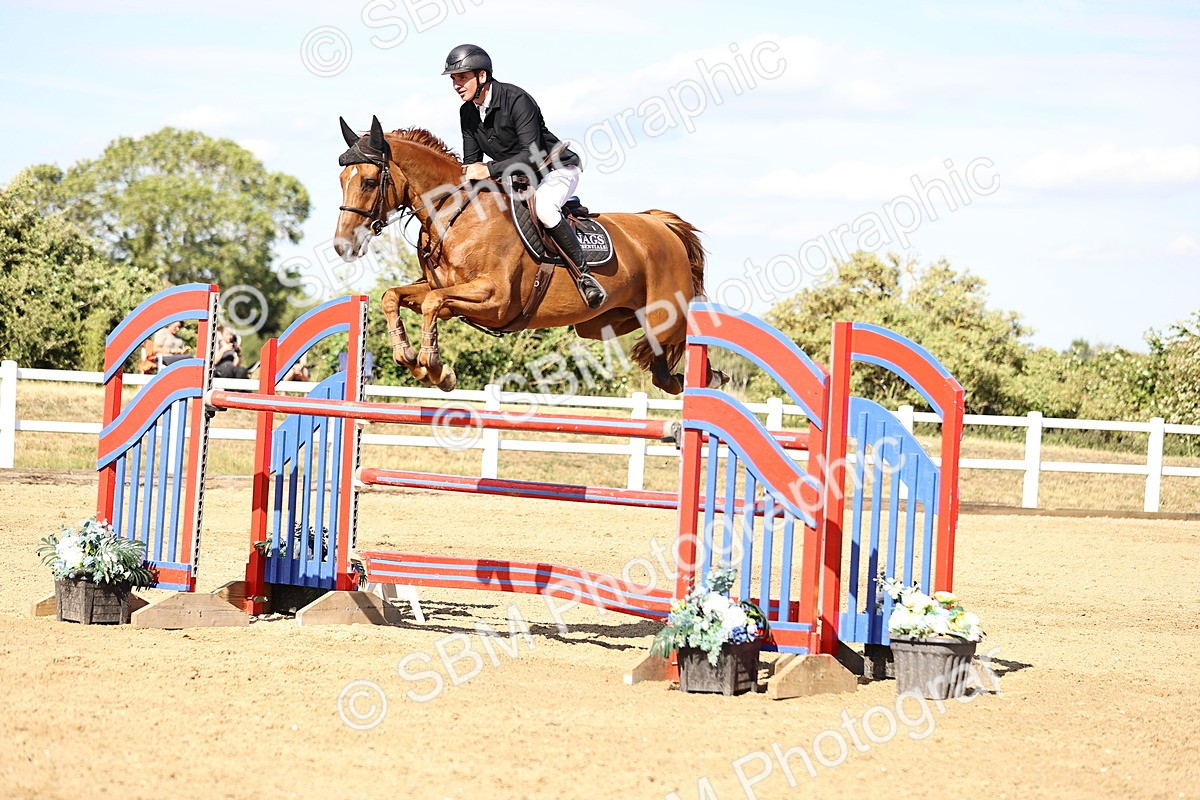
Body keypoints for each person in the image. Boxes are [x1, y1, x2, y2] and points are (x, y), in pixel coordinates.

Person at [444, 43, 607, 309]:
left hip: (553, 168)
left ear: (482, 76)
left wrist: (489, 170)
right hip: (515, 178)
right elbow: (472, 161)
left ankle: (585, 276)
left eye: (462, 77)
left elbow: (532, 155)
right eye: (453, 79)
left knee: (544, 207)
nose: (456, 85)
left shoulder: (517, 99)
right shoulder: (467, 112)